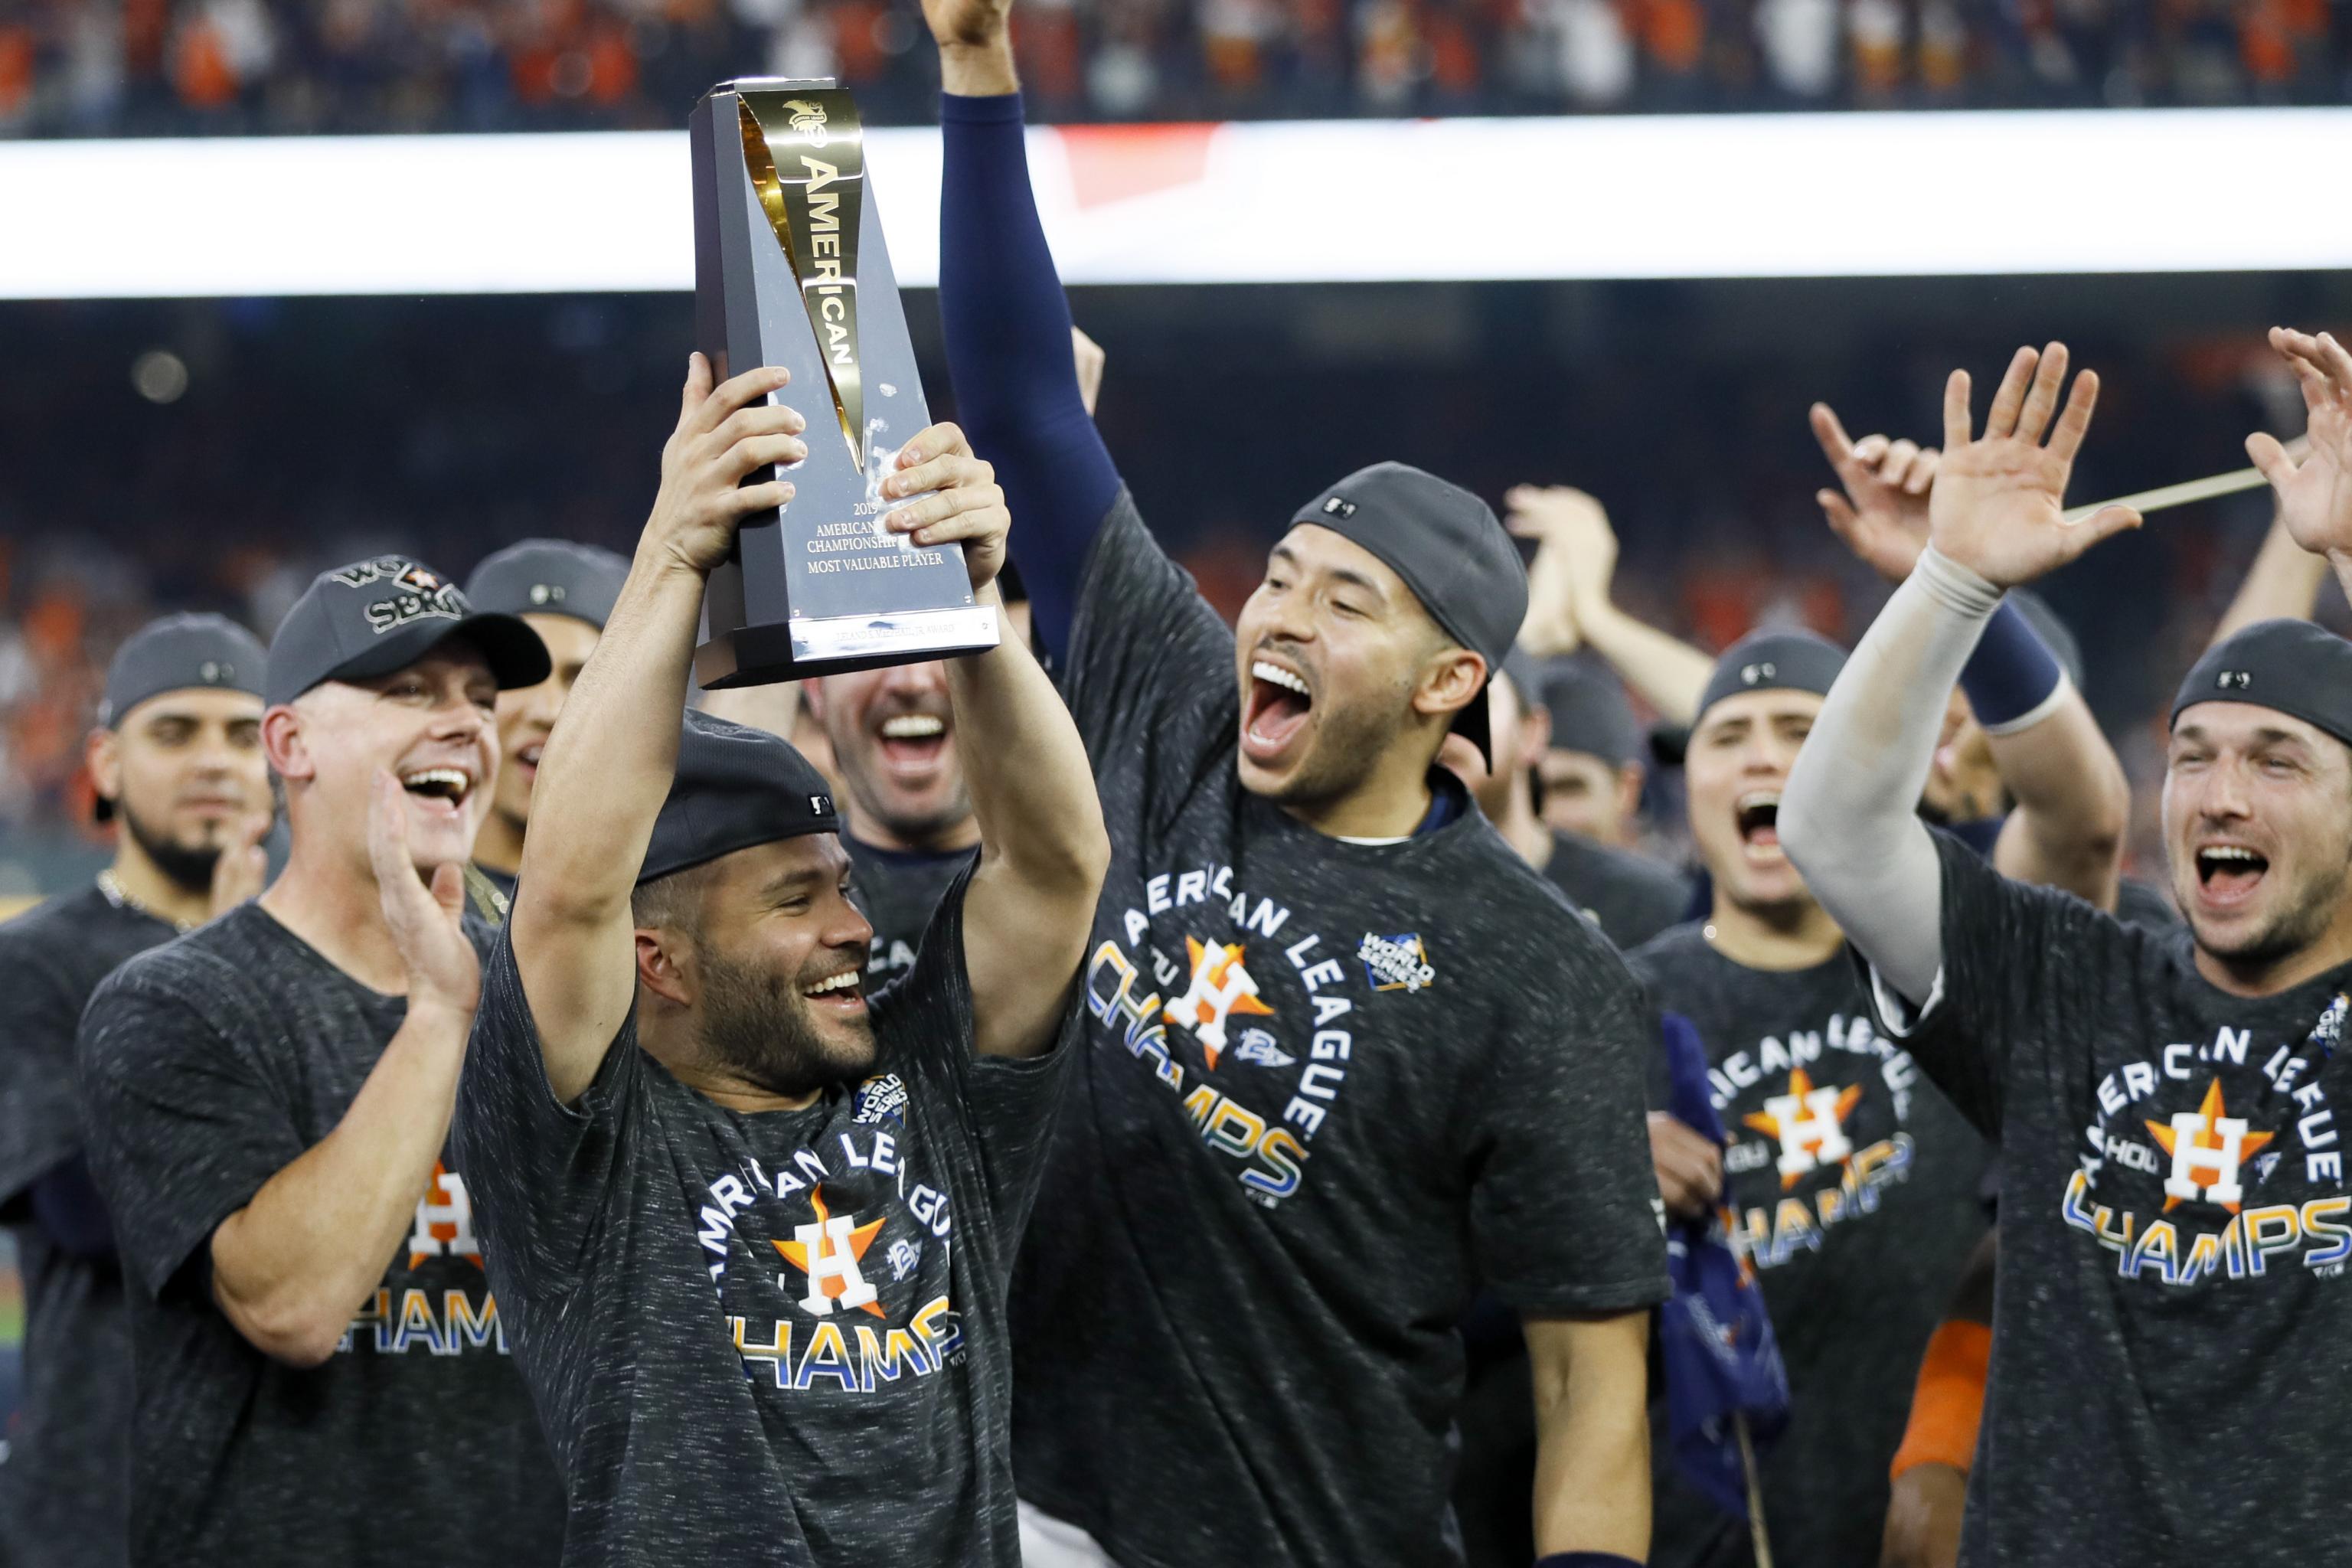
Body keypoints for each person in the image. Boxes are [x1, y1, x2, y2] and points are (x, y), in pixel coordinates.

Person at [929, 9, 1669, 1566]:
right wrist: (979, 69)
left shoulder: (1541, 974)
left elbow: (1588, 1389)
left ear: (1446, 681)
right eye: (1279, 574)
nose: (1278, 615)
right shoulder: (1175, 697)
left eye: (1347, 601)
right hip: (1039, 1514)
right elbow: (1023, 401)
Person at [452, 358, 1107, 1565]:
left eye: (844, 888)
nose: (855, 930)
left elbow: (1059, 867)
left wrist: (969, 610)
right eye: (797, 899)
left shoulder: (929, 1086)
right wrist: (673, 553)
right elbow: (566, 893)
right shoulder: (586, 1157)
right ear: (662, 960)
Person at [1778, 328, 2352, 1563]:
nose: (2217, 793)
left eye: (2276, 758)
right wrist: (1949, 582)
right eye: (2192, 754)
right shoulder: (2068, 986)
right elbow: (1831, 829)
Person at [1629, 394, 2134, 1564]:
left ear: (1865, 769)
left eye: (1799, 730)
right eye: (1727, 734)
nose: (1760, 754)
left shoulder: (1954, 950)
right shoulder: (1609, 992)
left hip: (1968, 1522)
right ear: (1685, 785)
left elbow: (2082, 819)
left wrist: (1958, 577)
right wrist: (1599, 1169)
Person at [76, 557, 563, 1568]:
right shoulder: (175, 1002)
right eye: (407, 692)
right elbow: (291, 1304)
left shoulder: (558, 977)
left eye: (479, 697)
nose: (466, 722)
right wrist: (439, 1014)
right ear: (289, 743)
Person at [0, 614, 271, 1568]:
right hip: (95, 1503)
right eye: (175, 731)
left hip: (287, 1495)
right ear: (106, 764)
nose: (214, 761)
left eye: (243, 733)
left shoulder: (326, 947)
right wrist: (234, 966)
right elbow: (80, 1208)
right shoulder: (33, 961)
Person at [1444, 650, 1690, 949]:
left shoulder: (1655, 905)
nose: (1446, 728)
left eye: (1472, 706)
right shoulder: (1385, 888)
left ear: (1531, 734)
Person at [463, 537, 632, 907]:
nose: (550, 710)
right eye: (519, 673)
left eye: (582, 678)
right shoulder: (401, 901)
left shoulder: (658, 902)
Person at [1534, 658, 1654, 849]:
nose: (1547, 815)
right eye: (1531, 793)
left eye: (1568, 789)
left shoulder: (1674, 878)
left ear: (1626, 791)